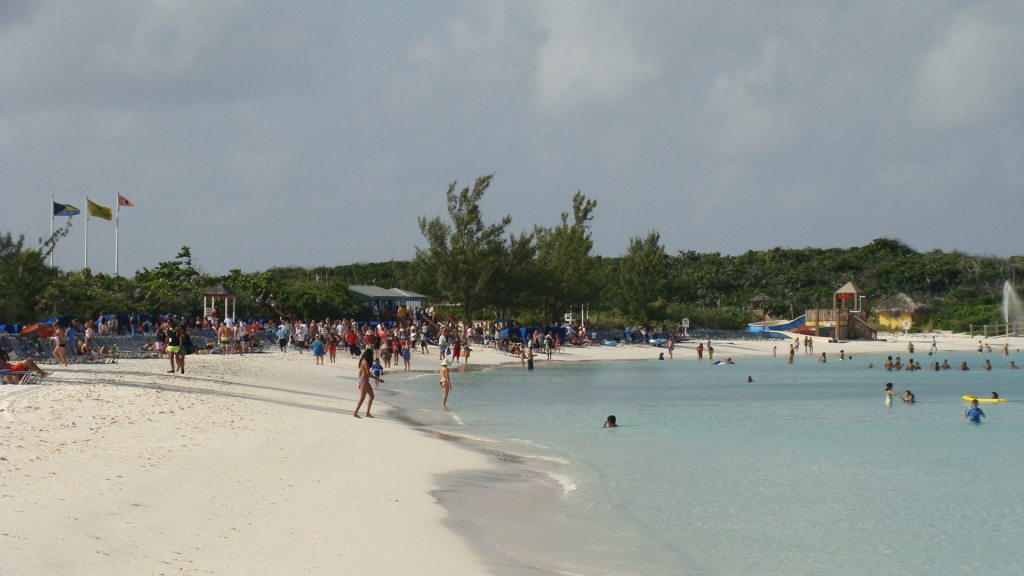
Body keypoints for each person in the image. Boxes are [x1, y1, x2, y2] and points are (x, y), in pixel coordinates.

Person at [353, 349, 380, 418]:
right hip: (364, 381)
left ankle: (367, 413)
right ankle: (355, 413)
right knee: (362, 398)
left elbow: (360, 372)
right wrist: (378, 379)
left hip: (365, 381)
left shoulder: (363, 361)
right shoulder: (365, 362)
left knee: (372, 396)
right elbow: (368, 373)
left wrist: (359, 381)